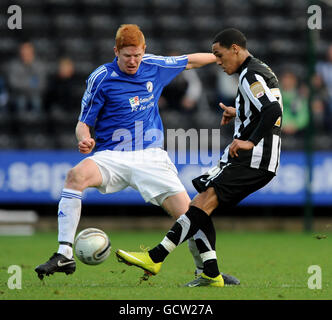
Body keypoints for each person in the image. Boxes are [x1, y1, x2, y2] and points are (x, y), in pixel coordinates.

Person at [34, 24, 238, 285]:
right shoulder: (101, 78)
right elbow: (83, 123)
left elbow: (189, 61)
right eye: (126, 55)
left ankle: (207, 272)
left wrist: (221, 57)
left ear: (144, 51)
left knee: (191, 214)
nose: (132, 61)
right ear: (115, 51)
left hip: (150, 157)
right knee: (75, 176)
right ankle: (64, 254)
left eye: (137, 55)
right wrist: (84, 139)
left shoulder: (154, 65)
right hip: (112, 156)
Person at [116, 28, 283, 287]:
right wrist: (238, 112)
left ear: (235, 49)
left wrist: (250, 140)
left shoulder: (251, 75)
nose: (217, 61)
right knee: (201, 204)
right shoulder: (257, 71)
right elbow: (263, 107)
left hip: (254, 158)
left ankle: (155, 257)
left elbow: (273, 110)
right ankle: (210, 273)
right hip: (254, 159)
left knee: (202, 203)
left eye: (219, 55)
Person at [7, 41, 47, 114]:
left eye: (27, 49)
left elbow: (41, 84)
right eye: (23, 49)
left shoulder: (40, 65)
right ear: (20, 51)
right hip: (18, 95)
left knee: (36, 101)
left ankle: (36, 124)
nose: (25, 52)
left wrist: (23, 82)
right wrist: (31, 83)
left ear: (32, 50)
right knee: (21, 101)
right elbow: (13, 83)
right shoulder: (14, 65)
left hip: (36, 95)